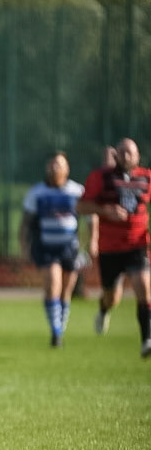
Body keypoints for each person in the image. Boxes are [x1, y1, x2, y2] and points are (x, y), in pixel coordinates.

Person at [78, 137, 151, 358]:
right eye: (122, 152)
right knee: (112, 296)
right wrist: (105, 210)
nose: (126, 156)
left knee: (144, 288)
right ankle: (103, 309)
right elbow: (80, 206)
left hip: (137, 245)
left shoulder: (145, 177)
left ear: (138, 156)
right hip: (110, 248)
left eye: (130, 152)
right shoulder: (100, 178)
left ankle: (146, 339)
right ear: (115, 155)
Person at [19, 152, 85, 347]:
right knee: (53, 284)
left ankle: (60, 328)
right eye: (52, 164)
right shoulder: (37, 192)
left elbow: (91, 217)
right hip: (46, 246)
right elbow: (25, 223)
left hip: (69, 247)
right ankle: (55, 332)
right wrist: (24, 245)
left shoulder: (76, 191)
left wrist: (93, 241)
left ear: (67, 169)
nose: (54, 168)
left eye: (59, 164)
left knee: (67, 289)